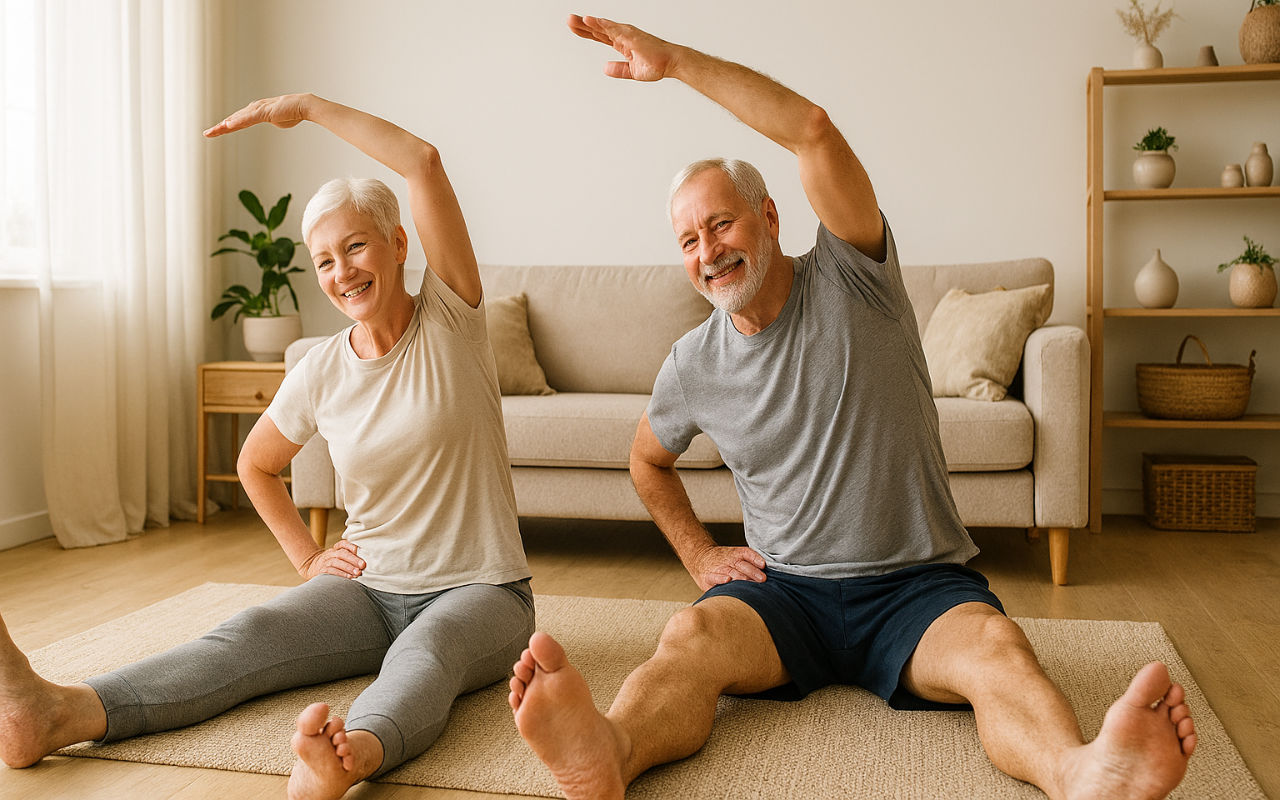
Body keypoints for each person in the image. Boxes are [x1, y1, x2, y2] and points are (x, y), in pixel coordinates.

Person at [508, 16, 1197, 800]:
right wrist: (702, 557)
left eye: (722, 223)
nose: (708, 252)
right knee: (688, 637)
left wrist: (673, 64)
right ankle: (611, 751)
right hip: (783, 594)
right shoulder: (694, 361)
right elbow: (646, 460)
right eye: (689, 240)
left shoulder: (854, 275)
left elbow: (811, 131)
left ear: (768, 219)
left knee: (998, 649)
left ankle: (1080, 772)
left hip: (916, 585)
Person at [0, 94, 534, 800]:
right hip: (367, 588)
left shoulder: (452, 317)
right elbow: (256, 464)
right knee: (247, 635)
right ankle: (56, 711)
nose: (341, 272)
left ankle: (351, 757)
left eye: (356, 246)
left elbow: (422, 161)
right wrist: (309, 558)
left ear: (398, 244)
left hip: (481, 588)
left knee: (424, 654)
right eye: (323, 261)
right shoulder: (319, 366)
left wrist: (306, 108)